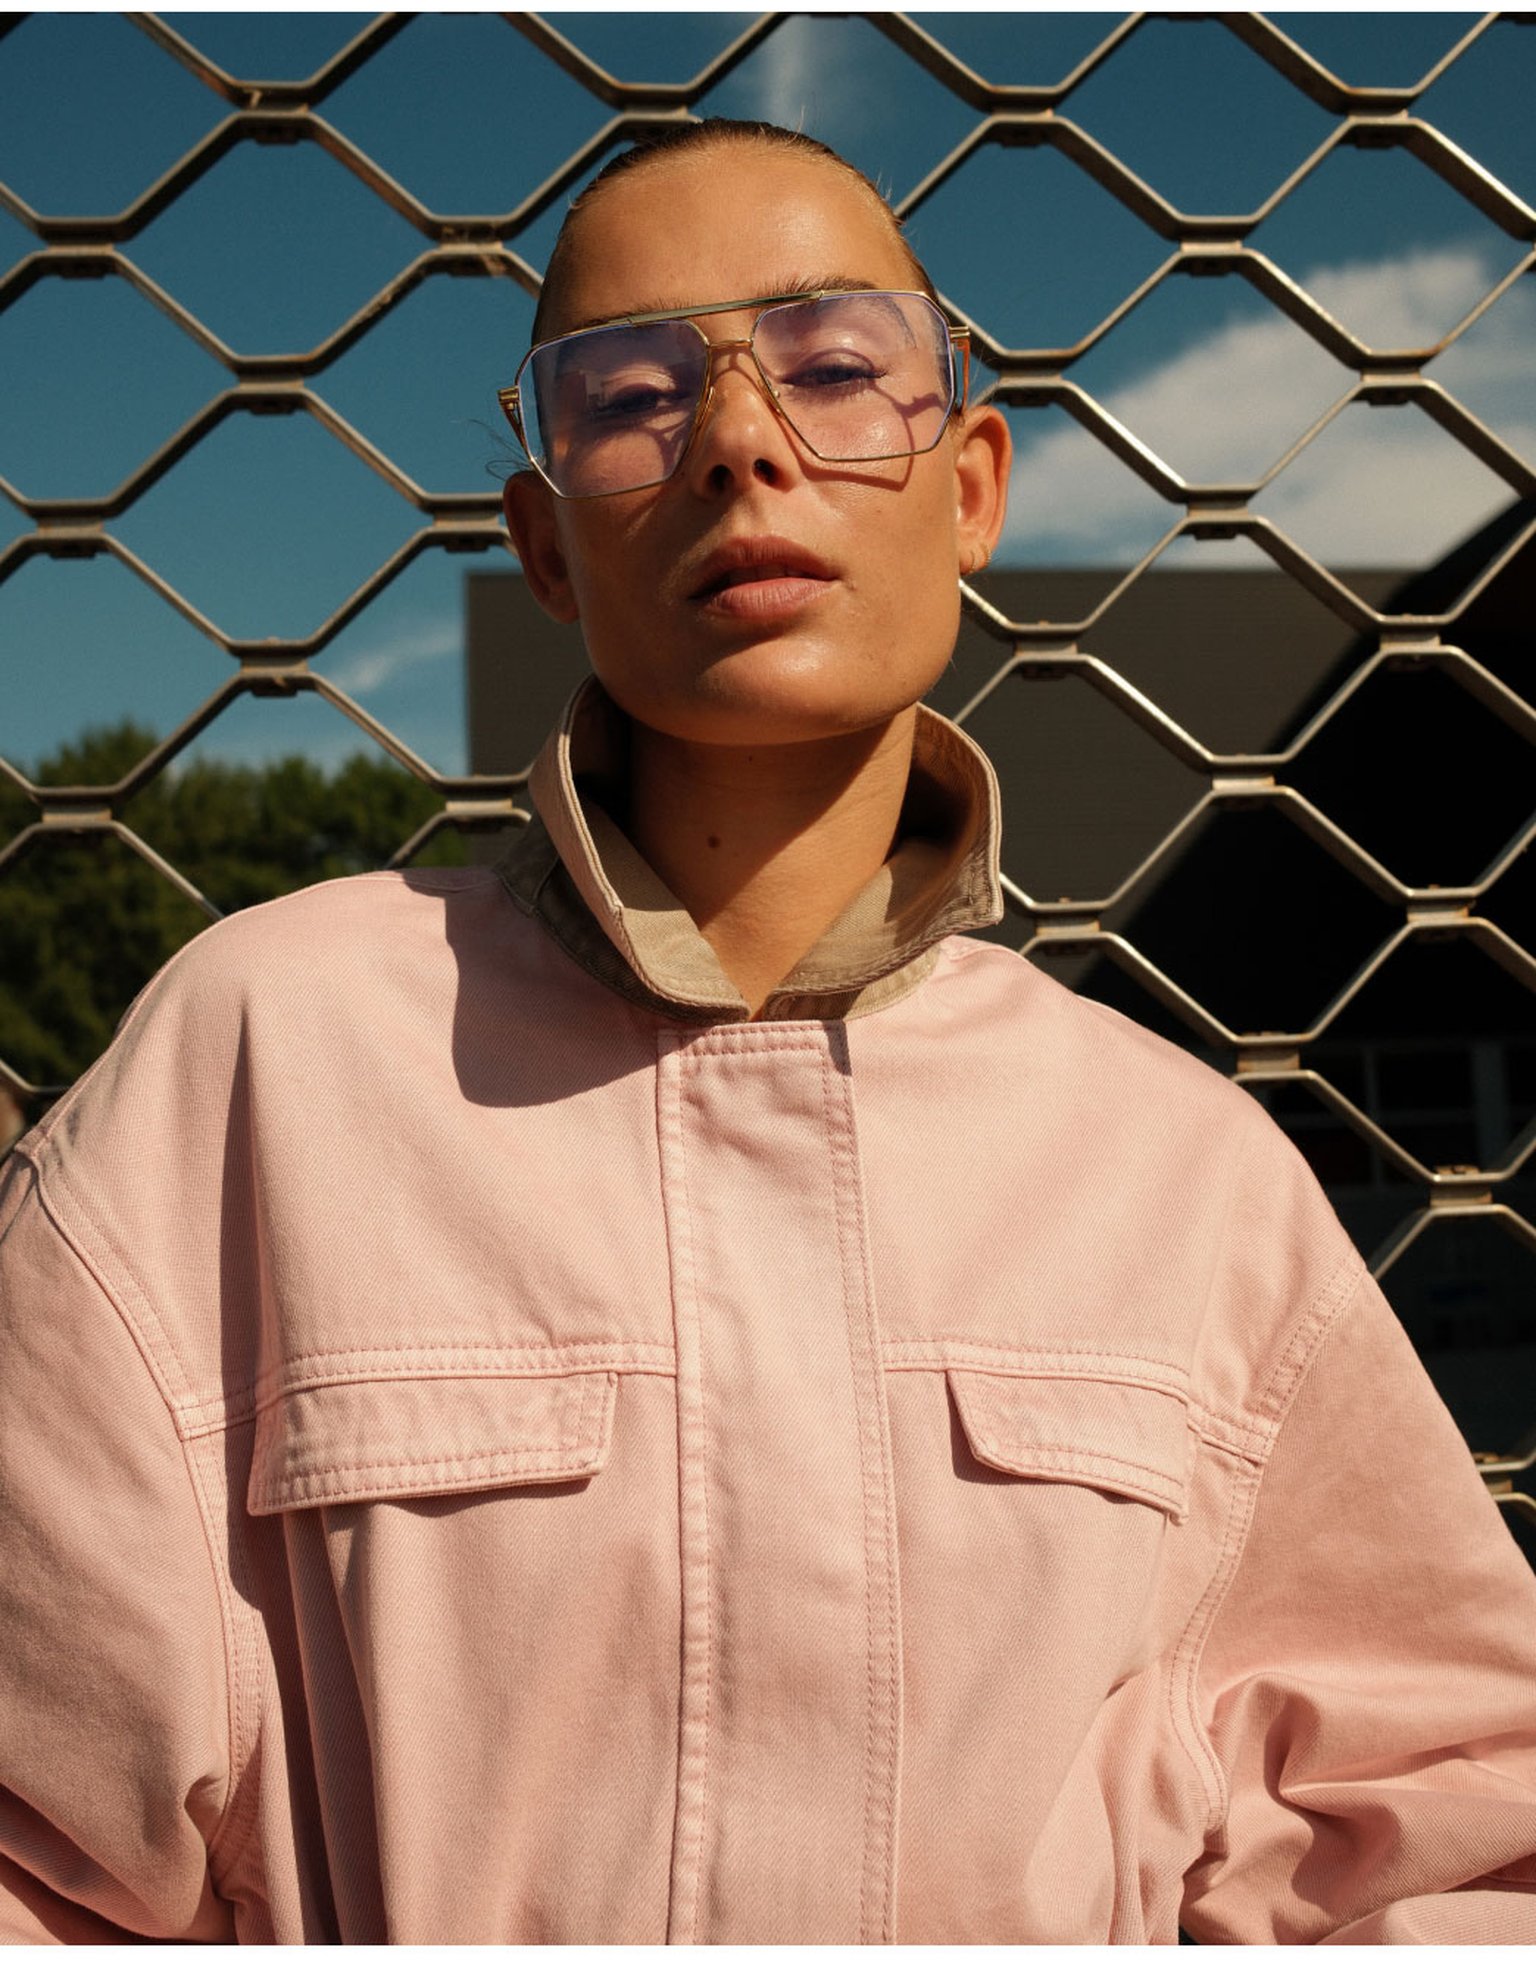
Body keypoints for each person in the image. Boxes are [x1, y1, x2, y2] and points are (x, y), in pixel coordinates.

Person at [1, 118, 1533, 1946]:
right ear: (546, 543)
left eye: (834, 368)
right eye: (632, 396)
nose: (739, 439)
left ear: (970, 488)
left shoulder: (1189, 1176)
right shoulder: (255, 1065)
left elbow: (1452, 1842)